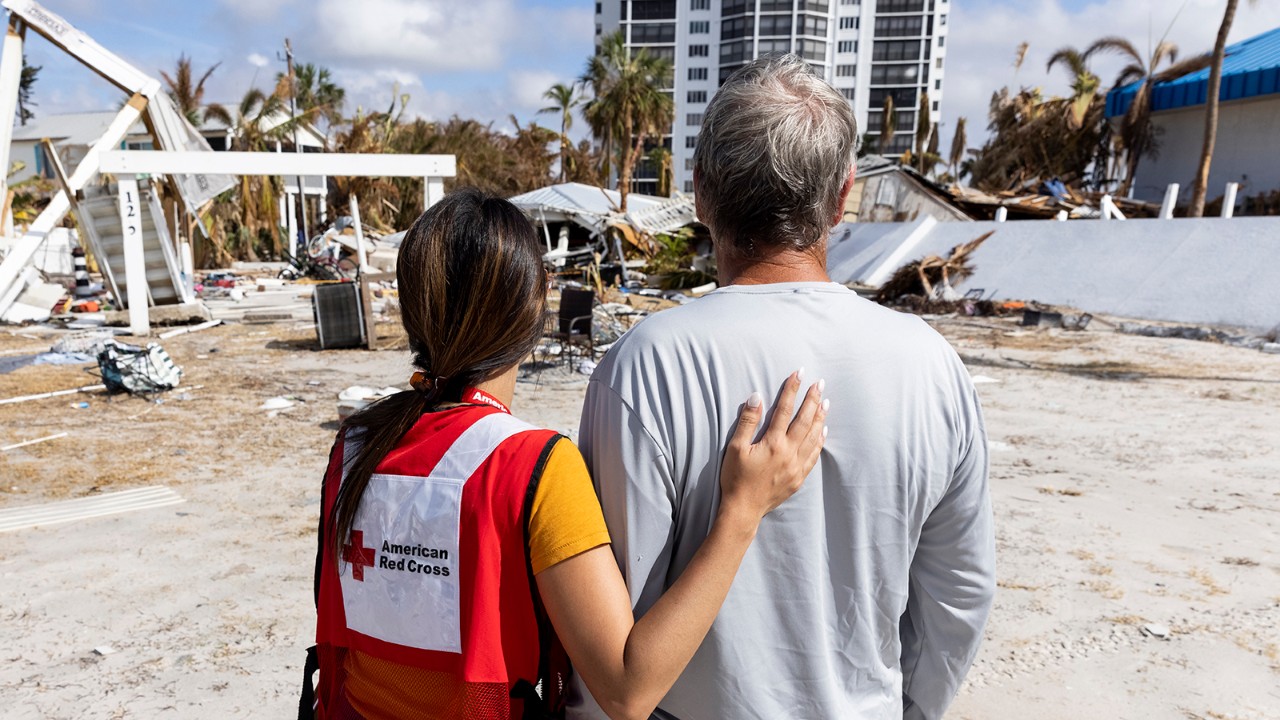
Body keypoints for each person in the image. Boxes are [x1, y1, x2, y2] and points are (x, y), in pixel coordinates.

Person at [571, 55, 996, 720]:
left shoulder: (642, 367)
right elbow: (960, 594)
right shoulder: (932, 366)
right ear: (844, 193)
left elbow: (612, 625)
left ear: (701, 190)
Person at [305, 188, 829, 720]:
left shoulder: (354, 448)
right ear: (535, 307)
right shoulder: (532, 465)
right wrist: (743, 509)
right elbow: (627, 690)